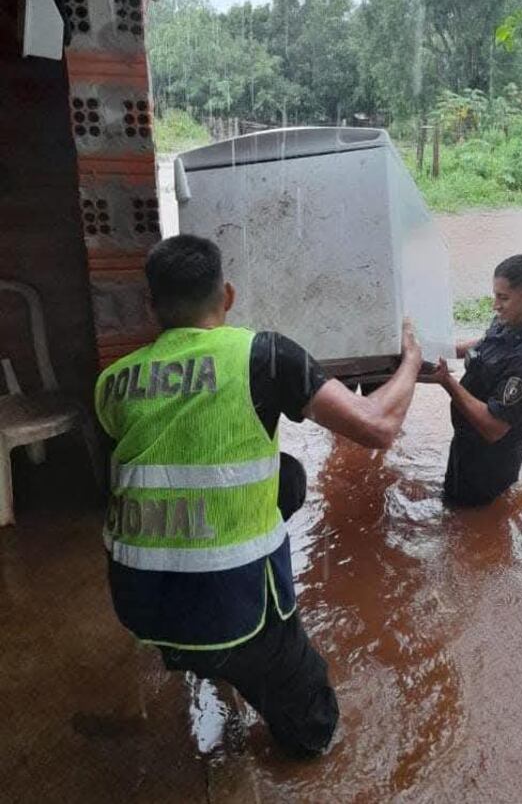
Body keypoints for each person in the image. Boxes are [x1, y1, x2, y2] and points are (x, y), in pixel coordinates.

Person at [94, 234, 422, 758]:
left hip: (138, 602)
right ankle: (236, 662)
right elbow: (378, 427)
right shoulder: (262, 355)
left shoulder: (110, 382)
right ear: (226, 295)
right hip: (225, 605)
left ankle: (200, 659)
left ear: (150, 306)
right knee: (312, 728)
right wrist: (411, 361)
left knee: (287, 476)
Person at [426, 254, 522, 507]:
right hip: (467, 444)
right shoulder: (512, 319)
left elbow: (493, 427)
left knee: (468, 524)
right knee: (452, 507)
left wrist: (446, 381)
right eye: (495, 295)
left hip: (489, 463)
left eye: (503, 298)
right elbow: (487, 343)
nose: (495, 305)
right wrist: (447, 349)